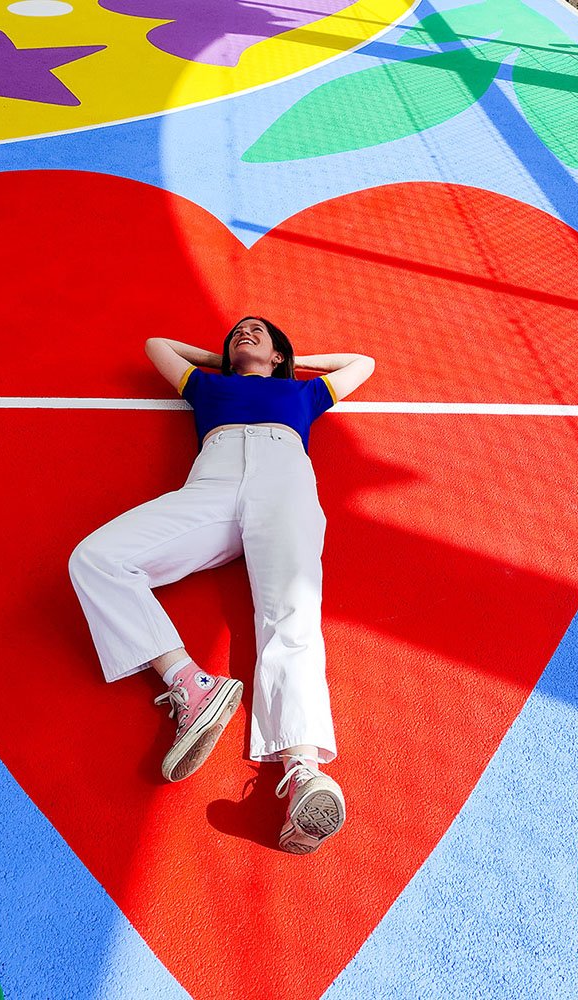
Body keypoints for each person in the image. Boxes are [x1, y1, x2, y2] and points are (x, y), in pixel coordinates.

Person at [69, 317, 375, 854]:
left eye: (259, 332)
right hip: (212, 484)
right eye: (237, 332)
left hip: (284, 479)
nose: (244, 334)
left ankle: (304, 773)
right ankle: (191, 685)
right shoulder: (206, 385)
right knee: (97, 559)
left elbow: (362, 365)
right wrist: (223, 361)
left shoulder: (303, 393)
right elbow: (153, 343)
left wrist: (290, 361)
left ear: (280, 353)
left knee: (291, 615)